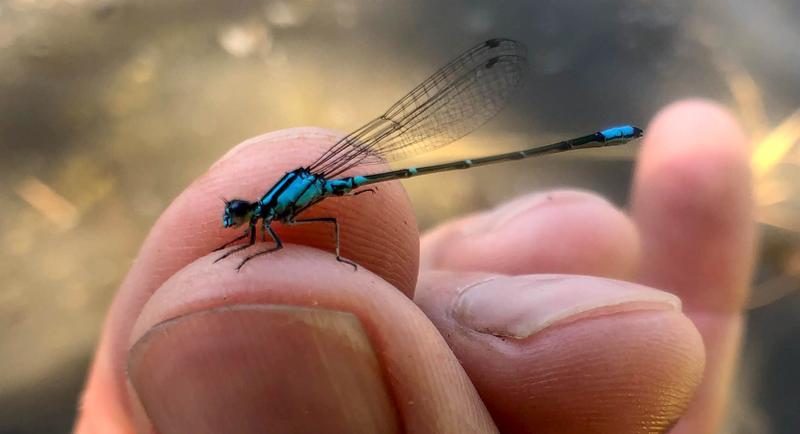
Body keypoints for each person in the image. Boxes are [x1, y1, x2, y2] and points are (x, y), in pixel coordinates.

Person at [74, 100, 755, 434]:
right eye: (245, 219)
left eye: (245, 219)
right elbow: (270, 236)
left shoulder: (280, 213)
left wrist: (304, 256)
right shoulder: (266, 211)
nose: (244, 224)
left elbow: (322, 226)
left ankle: (617, 134)